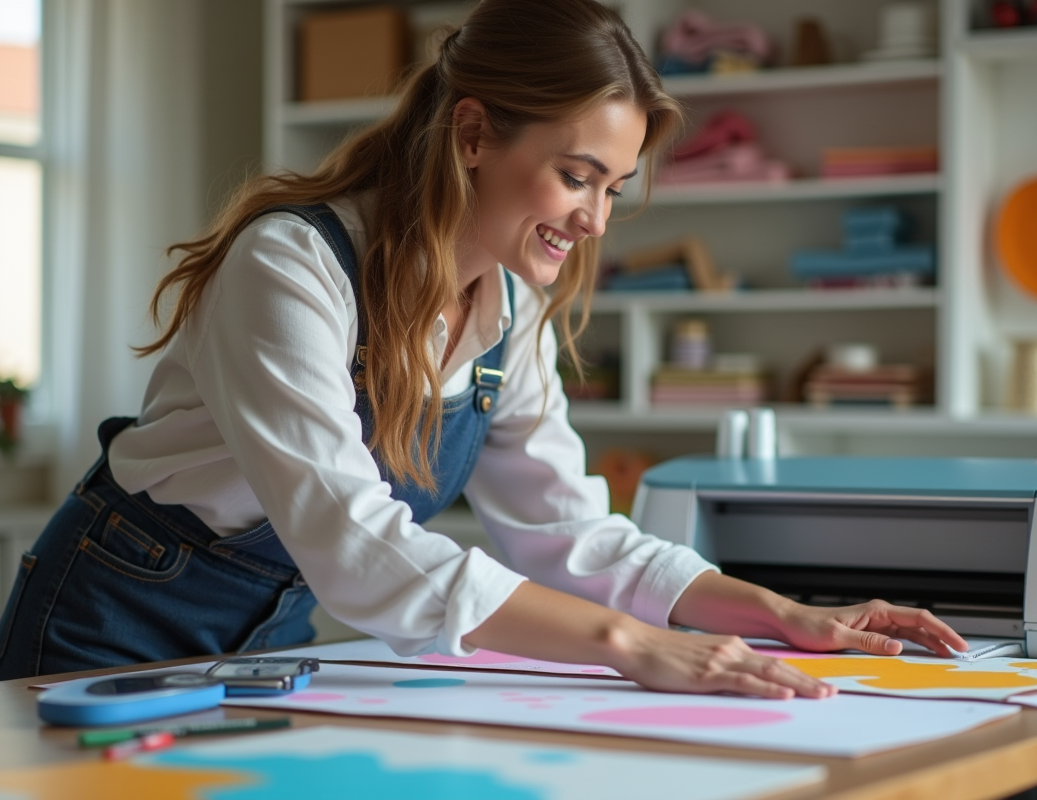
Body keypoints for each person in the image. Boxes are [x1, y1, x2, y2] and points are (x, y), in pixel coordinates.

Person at [0, 0, 967, 693]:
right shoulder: (292, 267)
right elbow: (356, 546)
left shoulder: (509, 308)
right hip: (116, 618)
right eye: (575, 176)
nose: (594, 219)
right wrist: (631, 646)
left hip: (269, 635)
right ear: (473, 134)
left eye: (612, 189)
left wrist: (782, 615)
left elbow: (566, 533)